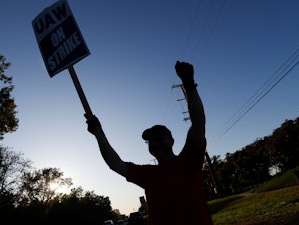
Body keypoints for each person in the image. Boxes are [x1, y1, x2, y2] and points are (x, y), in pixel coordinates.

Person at [85, 61, 214, 225]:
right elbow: (115, 164)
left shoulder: (189, 160)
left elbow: (198, 122)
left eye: (159, 137)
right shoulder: (147, 174)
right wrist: (98, 134)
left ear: (172, 141)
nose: (154, 143)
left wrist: (189, 84)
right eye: (150, 141)